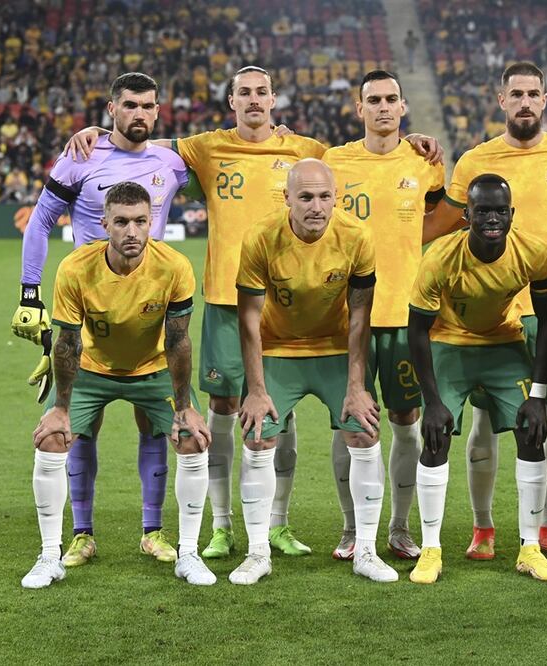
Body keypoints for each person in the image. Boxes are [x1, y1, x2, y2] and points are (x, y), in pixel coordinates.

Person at [66, 67, 442, 560]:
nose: (254, 100)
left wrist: (410, 140)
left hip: (303, 309)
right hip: (230, 300)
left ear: (273, 99)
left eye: (262, 92)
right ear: (231, 101)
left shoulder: (307, 151)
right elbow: (147, 142)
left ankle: (280, 525)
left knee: (298, 417)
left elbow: (379, 168)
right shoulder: (206, 146)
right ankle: (223, 527)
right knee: (228, 411)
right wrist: (100, 135)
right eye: (244, 93)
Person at [12, 73, 190, 568]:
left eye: (148, 106)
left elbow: (229, 168)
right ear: (111, 108)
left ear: (158, 111)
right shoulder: (80, 156)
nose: (139, 113)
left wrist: (276, 136)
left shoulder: (172, 162)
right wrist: (30, 292)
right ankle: (82, 534)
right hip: (85, 311)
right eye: (129, 104)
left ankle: (153, 531)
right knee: (77, 428)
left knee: (154, 426)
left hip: (148, 311)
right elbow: (41, 220)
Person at [424, 61, 547, 560]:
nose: (525, 101)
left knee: (543, 423)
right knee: (483, 425)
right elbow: (452, 222)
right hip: (492, 314)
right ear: (501, 100)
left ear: (546, 99)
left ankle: (542, 527)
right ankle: (483, 527)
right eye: (516, 93)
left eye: (533, 93)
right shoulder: (477, 159)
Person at [21, 182, 214, 589]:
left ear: (151, 223)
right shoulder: (76, 268)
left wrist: (184, 407)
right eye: (122, 222)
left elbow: (178, 340)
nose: (132, 231)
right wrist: (60, 408)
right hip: (92, 369)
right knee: (53, 439)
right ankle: (50, 555)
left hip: (153, 369)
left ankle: (190, 553)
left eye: (141, 221)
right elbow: (68, 342)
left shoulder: (175, 266)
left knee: (193, 438)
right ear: (103, 223)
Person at [231, 159, 395, 585]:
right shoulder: (261, 238)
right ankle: (257, 552)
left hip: (336, 347)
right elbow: (248, 319)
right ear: (287, 198)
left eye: (325, 196)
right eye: (305, 197)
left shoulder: (357, 237)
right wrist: (255, 389)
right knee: (259, 432)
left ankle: (367, 551)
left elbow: (361, 316)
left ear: (335, 197)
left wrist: (357, 387)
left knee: (363, 429)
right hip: (278, 349)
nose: (316, 206)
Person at [407, 174, 547, 584]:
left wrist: (540, 394)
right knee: (436, 434)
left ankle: (529, 547)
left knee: (532, 430)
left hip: (502, 343)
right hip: (449, 342)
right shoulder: (440, 257)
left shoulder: (534, 253)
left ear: (512, 214)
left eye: (499, 211)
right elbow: (417, 330)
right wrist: (432, 400)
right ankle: (431, 548)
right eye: (482, 211)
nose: (492, 218)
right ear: (466, 215)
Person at [322, 70, 446, 561]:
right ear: (359, 109)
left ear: (402, 107)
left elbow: (437, 216)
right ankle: (351, 529)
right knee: (348, 422)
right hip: (346, 315)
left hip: (404, 313)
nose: (382, 107)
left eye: (391, 99)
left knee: (405, 418)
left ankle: (398, 526)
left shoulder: (423, 162)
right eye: (373, 100)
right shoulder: (335, 162)